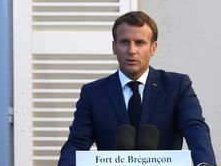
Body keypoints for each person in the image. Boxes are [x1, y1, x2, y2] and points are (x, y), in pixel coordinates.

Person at [58, 11, 215, 166]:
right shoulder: (93, 93)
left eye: (140, 42)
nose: (132, 50)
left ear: (153, 48)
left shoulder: (177, 86)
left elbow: (195, 129)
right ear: (114, 47)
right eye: (124, 42)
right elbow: (77, 144)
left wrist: (204, 163)